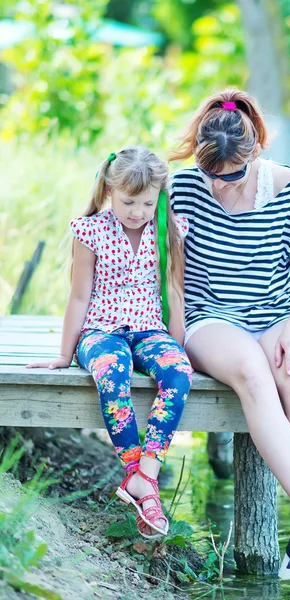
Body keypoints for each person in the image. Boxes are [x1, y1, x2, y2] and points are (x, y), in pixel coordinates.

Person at [169, 90, 290, 590]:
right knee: (253, 371)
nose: (219, 185)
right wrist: (172, 340)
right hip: (212, 320)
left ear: (254, 156)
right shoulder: (184, 190)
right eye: (210, 174)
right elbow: (177, 280)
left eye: (230, 175)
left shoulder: (289, 188)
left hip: (276, 315)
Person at [27, 146, 192, 539]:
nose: (138, 211)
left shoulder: (168, 229)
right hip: (101, 332)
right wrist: (64, 355)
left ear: (160, 196)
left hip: (150, 330)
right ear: (109, 191)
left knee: (179, 373)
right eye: (128, 201)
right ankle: (137, 478)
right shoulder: (91, 231)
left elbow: (174, 289)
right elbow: (79, 297)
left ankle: (144, 474)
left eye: (147, 202)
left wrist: (180, 345)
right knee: (113, 372)